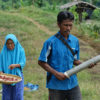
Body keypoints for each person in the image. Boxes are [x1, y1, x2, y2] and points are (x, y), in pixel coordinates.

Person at [38, 11, 95, 100]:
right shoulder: (50, 42)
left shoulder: (75, 41)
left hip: (72, 83)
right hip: (56, 85)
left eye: (70, 25)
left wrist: (86, 64)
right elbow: (41, 62)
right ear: (58, 24)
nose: (68, 28)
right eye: (65, 25)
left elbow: (75, 60)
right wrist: (56, 74)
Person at [0, 34, 26, 100]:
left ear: (15, 42)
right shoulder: (3, 52)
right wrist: (1, 72)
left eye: (11, 43)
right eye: (8, 44)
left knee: (18, 96)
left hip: (17, 77)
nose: (10, 45)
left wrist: (15, 65)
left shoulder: (20, 50)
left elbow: (23, 62)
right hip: (6, 78)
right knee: (7, 96)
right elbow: (0, 64)